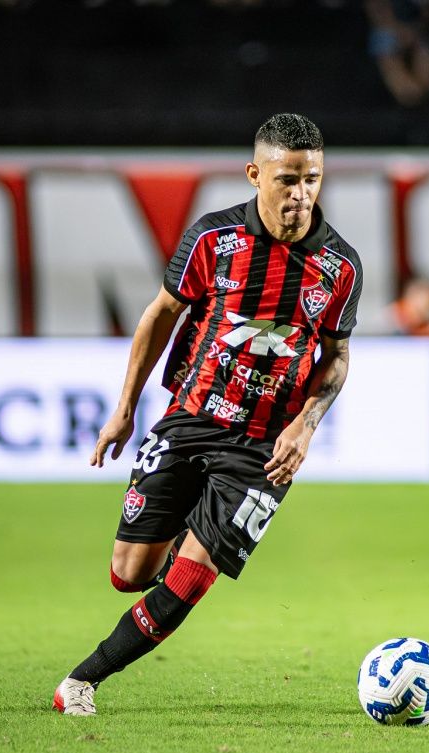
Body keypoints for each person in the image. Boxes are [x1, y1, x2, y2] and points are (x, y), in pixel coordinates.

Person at [53, 113, 363, 716]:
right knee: (130, 572)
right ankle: (192, 543)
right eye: (287, 179)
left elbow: (337, 358)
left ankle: (82, 682)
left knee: (194, 574)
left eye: (312, 179)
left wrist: (306, 424)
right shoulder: (212, 241)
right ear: (255, 174)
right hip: (188, 419)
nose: (300, 194)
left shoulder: (340, 266)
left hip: (263, 450)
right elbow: (159, 316)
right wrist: (123, 411)